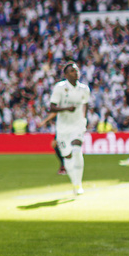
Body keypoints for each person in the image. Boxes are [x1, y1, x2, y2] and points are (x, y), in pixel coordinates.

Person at [48, 62, 91, 195]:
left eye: (76, 70)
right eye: (72, 71)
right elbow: (52, 107)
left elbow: (86, 104)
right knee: (67, 156)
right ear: (66, 75)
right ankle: (75, 182)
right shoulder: (60, 88)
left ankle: (78, 185)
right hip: (63, 128)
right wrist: (66, 108)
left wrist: (84, 119)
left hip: (77, 125)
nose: (75, 72)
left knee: (77, 151)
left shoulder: (84, 89)